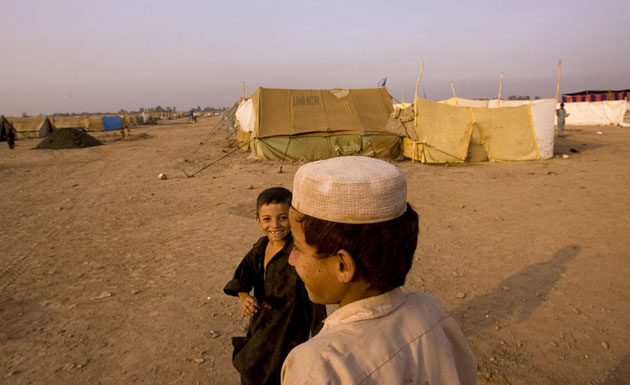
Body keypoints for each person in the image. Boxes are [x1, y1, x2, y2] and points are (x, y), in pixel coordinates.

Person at [281, 156, 477, 385]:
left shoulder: (318, 365)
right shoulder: (429, 311)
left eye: (298, 247)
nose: (291, 260)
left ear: (343, 266)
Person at [224, 187, 326, 385]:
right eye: (267, 219)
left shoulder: (300, 254)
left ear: (294, 218)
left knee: (283, 374)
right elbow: (243, 275)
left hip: (290, 330)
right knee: (252, 369)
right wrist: (244, 297)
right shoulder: (261, 247)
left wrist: (319, 338)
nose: (275, 225)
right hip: (261, 324)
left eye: (282, 218)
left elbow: (315, 301)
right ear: (258, 221)